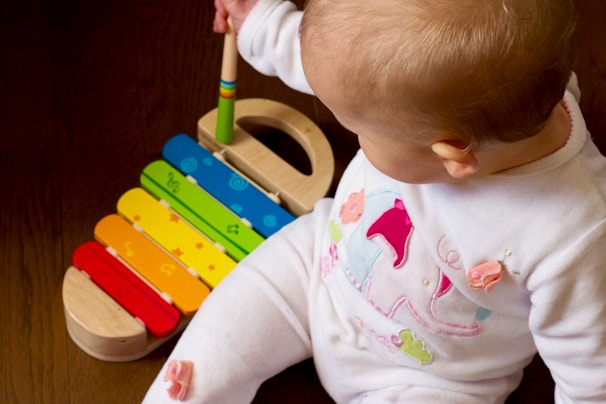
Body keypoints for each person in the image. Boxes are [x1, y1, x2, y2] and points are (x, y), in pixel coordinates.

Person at [144, 0, 606, 402]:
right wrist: (262, 22)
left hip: (430, 378)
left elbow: (591, 376)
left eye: (361, 130)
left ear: (451, 155)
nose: (357, 135)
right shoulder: (502, 89)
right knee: (204, 359)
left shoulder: (575, 238)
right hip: (317, 270)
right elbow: (349, 63)